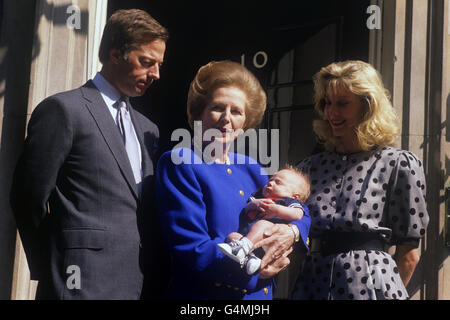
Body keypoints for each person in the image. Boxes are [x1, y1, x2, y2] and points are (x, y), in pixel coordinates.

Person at [10, 9, 168, 299]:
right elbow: (27, 197)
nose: (156, 74)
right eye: (147, 62)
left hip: (135, 282)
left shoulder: (149, 130)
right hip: (75, 282)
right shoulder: (64, 110)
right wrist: (55, 264)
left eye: (158, 64)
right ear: (115, 53)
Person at [155, 60, 311, 300]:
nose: (226, 118)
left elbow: (295, 206)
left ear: (245, 122)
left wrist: (294, 232)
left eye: (236, 111)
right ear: (199, 112)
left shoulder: (251, 167)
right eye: (217, 107)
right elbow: (190, 247)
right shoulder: (181, 162)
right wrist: (255, 274)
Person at [291, 60, 429, 300]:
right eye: (327, 103)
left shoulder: (398, 164)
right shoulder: (309, 168)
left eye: (342, 103)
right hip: (313, 283)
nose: (331, 113)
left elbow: (409, 253)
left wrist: (380, 288)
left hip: (373, 285)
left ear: (367, 107)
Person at [218, 167, 310, 275]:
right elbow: (245, 209)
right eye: (270, 180)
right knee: (232, 236)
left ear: (294, 196)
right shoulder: (258, 197)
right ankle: (251, 260)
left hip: (271, 241)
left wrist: (278, 210)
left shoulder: (288, 201)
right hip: (250, 240)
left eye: (278, 182)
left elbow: (298, 214)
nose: (270, 183)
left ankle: (243, 248)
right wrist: (253, 204)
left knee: (262, 224)